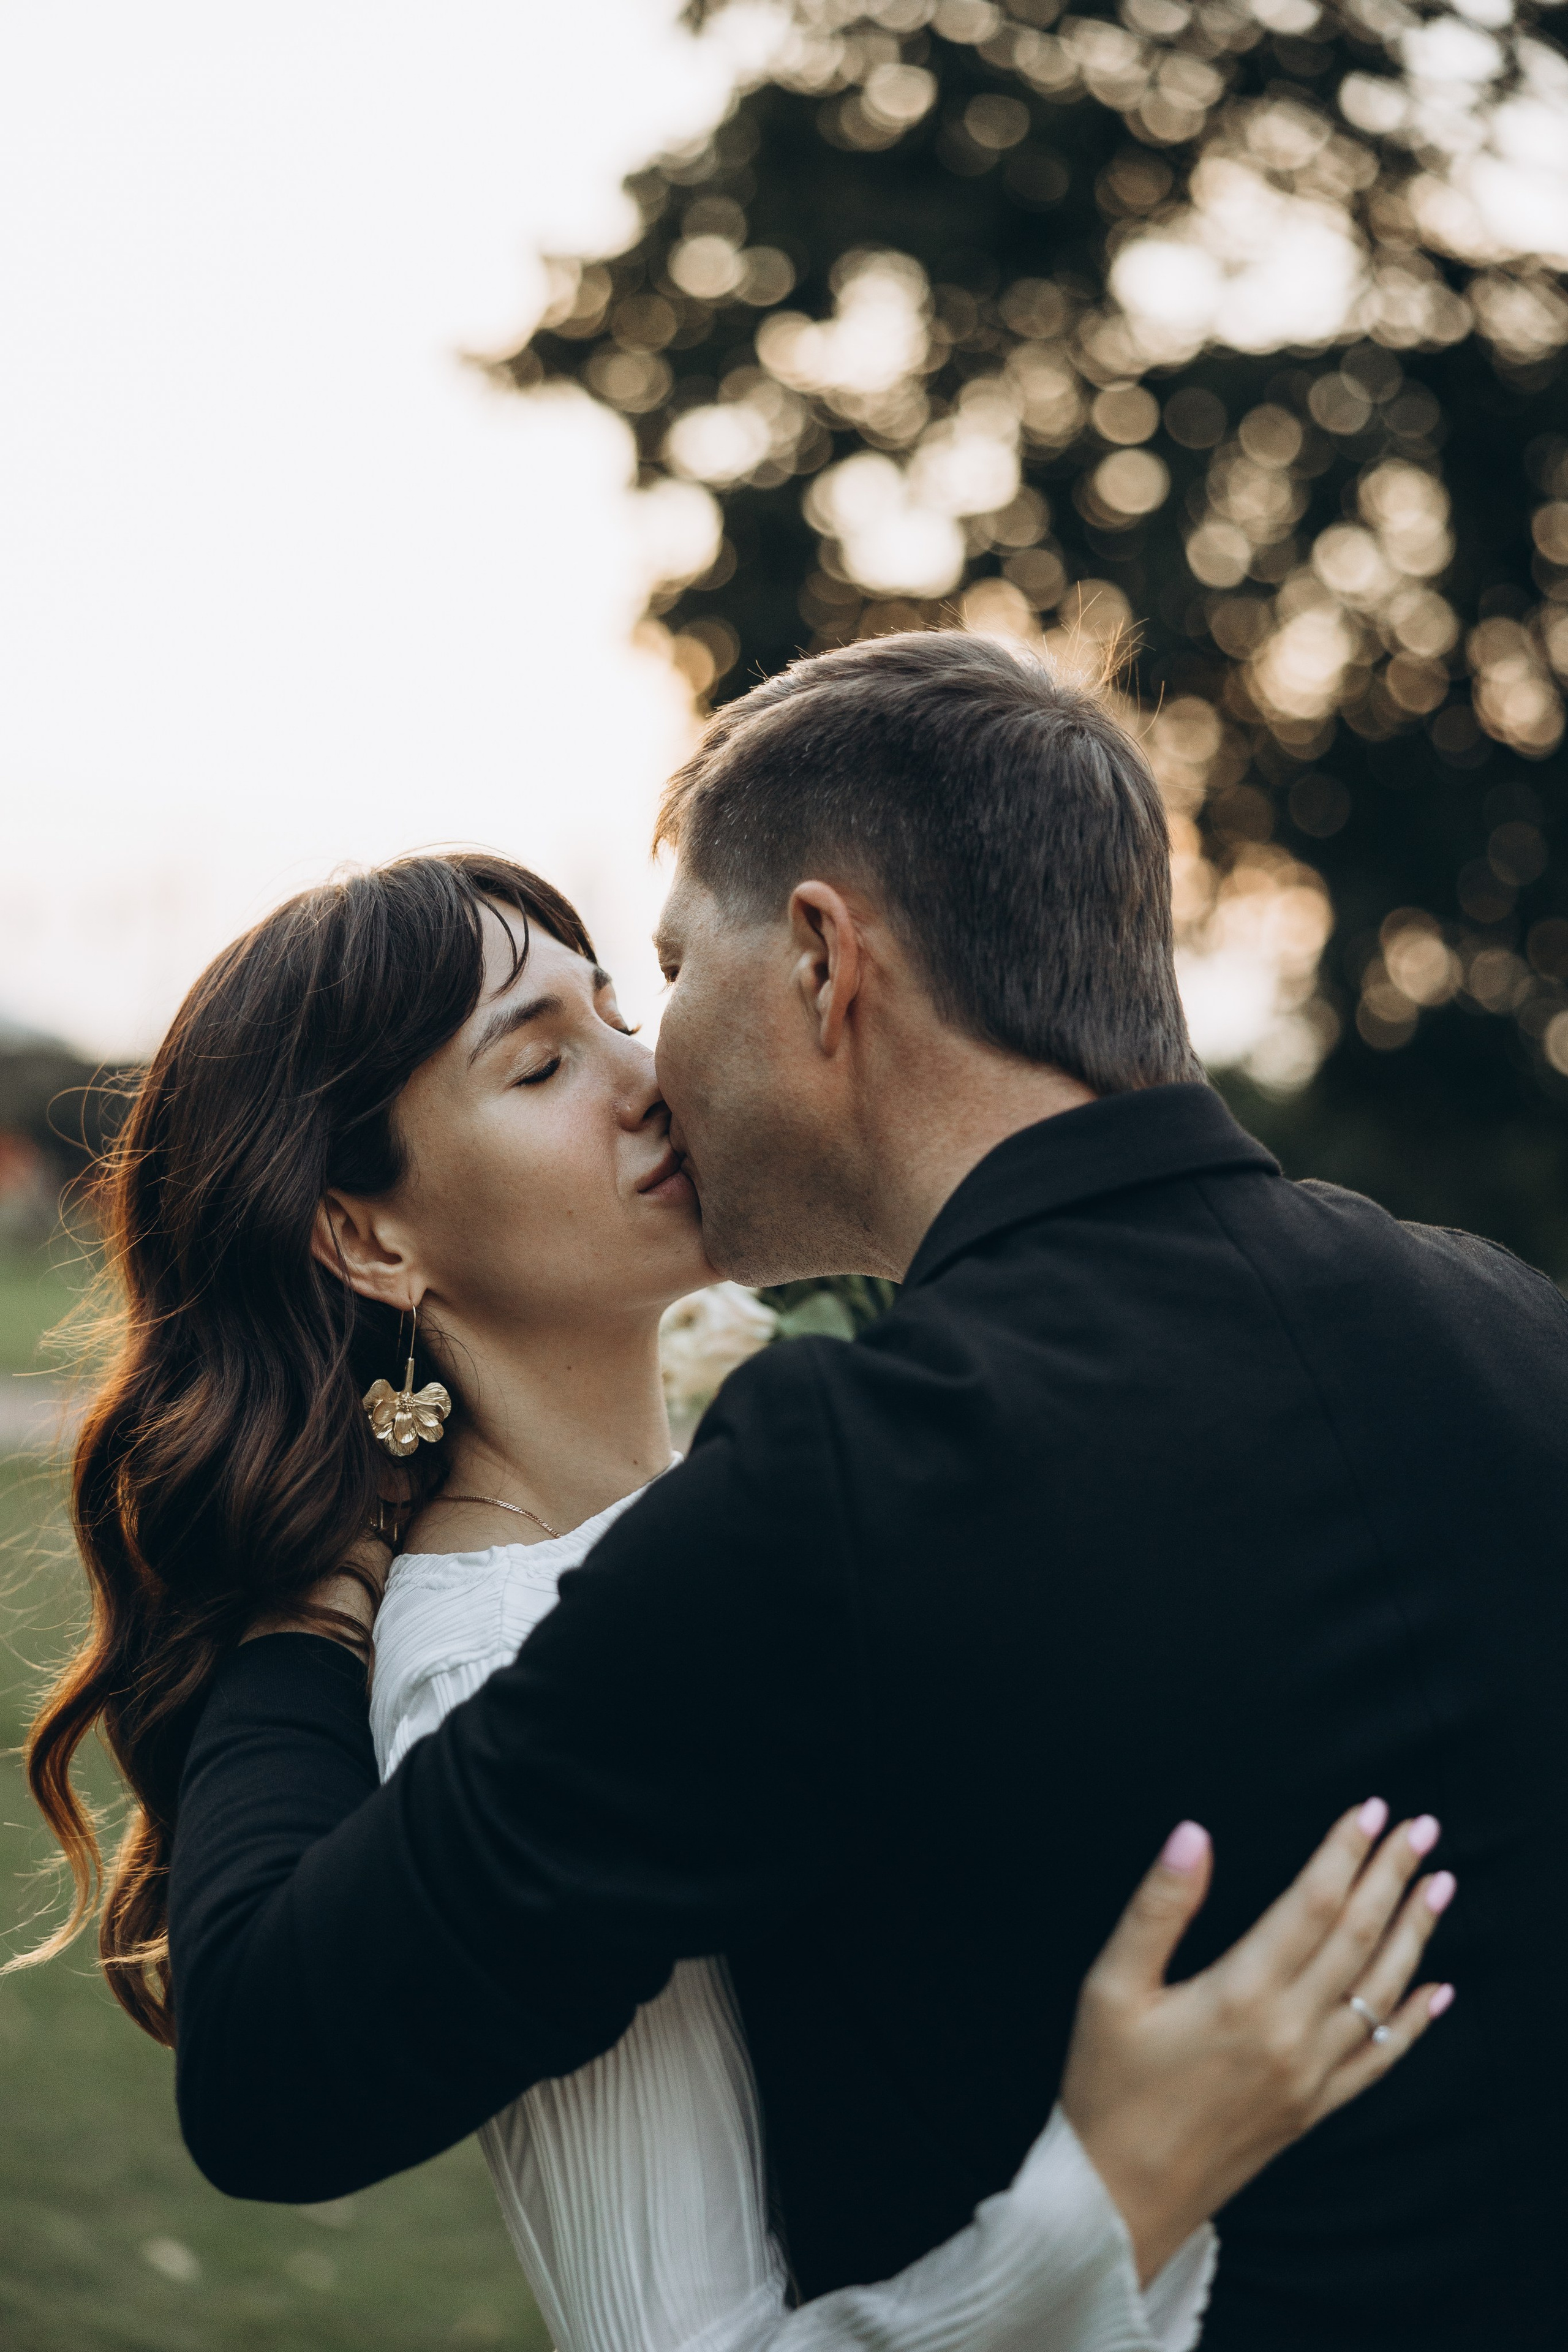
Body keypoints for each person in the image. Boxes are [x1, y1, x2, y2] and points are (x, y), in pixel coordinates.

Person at [32, 627, 1568, 2342]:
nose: (651, 1070)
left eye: (656, 985)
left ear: (825, 963)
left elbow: (277, 2073)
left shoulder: (837, 1486)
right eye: (546, 1058)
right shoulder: (1517, 1327)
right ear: (364, 1233)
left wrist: (1100, 2210)